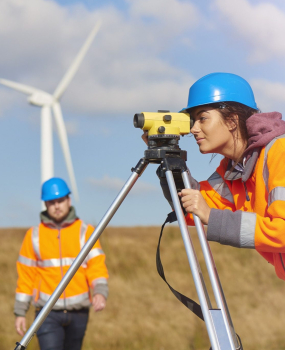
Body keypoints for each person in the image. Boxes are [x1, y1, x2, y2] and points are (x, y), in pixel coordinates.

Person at [158, 72, 285, 281]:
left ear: (232, 121)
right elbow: (192, 207)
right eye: (192, 120)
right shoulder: (235, 170)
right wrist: (168, 159)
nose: (193, 129)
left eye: (202, 118)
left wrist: (212, 217)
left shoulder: (279, 151)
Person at [14, 177, 109, 350]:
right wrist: (20, 312)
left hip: (79, 313)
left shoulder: (85, 232)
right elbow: (26, 277)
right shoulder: (33, 235)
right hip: (46, 313)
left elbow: (96, 267)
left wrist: (100, 292)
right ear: (46, 204)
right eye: (51, 202)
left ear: (69, 200)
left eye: (60, 200)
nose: (57, 206)